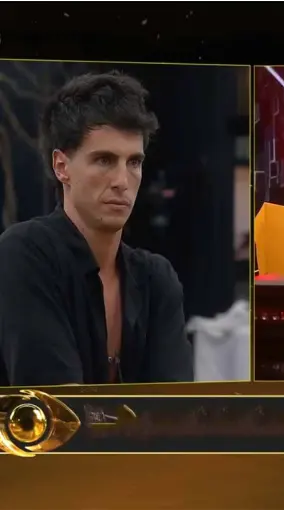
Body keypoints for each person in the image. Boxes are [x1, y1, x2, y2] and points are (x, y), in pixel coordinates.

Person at [0, 71, 194, 386]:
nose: (122, 181)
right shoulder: (24, 254)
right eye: (104, 160)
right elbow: (58, 403)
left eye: (134, 162)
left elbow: (174, 406)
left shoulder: (155, 279)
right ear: (62, 166)